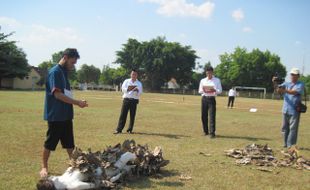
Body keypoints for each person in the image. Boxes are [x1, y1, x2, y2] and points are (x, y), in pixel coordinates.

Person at [40, 48, 88, 178]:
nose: (73, 66)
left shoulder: (63, 72)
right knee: (50, 143)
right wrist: (77, 102)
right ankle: (44, 167)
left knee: (69, 143)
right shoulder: (55, 72)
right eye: (72, 62)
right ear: (65, 57)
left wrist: (77, 102)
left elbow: (66, 93)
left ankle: (75, 165)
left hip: (66, 114)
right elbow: (57, 95)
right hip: (56, 115)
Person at [274, 68, 305, 148]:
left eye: (294, 74)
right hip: (285, 109)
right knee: (284, 128)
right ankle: (285, 143)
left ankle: (290, 145)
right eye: (291, 74)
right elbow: (278, 90)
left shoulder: (300, 84)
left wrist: (284, 90)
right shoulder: (286, 83)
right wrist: (275, 82)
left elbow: (294, 92)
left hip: (294, 110)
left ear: (298, 76)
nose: (292, 76)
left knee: (293, 129)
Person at [114, 69, 143, 134]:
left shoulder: (139, 83)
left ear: (137, 75)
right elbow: (123, 89)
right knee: (123, 115)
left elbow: (140, 92)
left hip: (134, 100)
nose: (133, 75)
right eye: (132, 74)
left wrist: (137, 90)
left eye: (135, 74)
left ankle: (130, 130)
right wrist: (129, 89)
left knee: (132, 116)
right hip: (126, 99)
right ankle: (119, 129)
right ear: (130, 74)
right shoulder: (126, 81)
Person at [198, 66, 222, 138]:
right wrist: (205, 90)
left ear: (212, 72)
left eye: (210, 73)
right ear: (206, 73)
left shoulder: (217, 80)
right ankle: (205, 131)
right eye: (207, 73)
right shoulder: (203, 80)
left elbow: (220, 91)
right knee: (203, 116)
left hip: (212, 99)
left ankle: (212, 133)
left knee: (212, 116)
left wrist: (214, 90)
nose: (209, 75)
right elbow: (200, 91)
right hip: (204, 98)